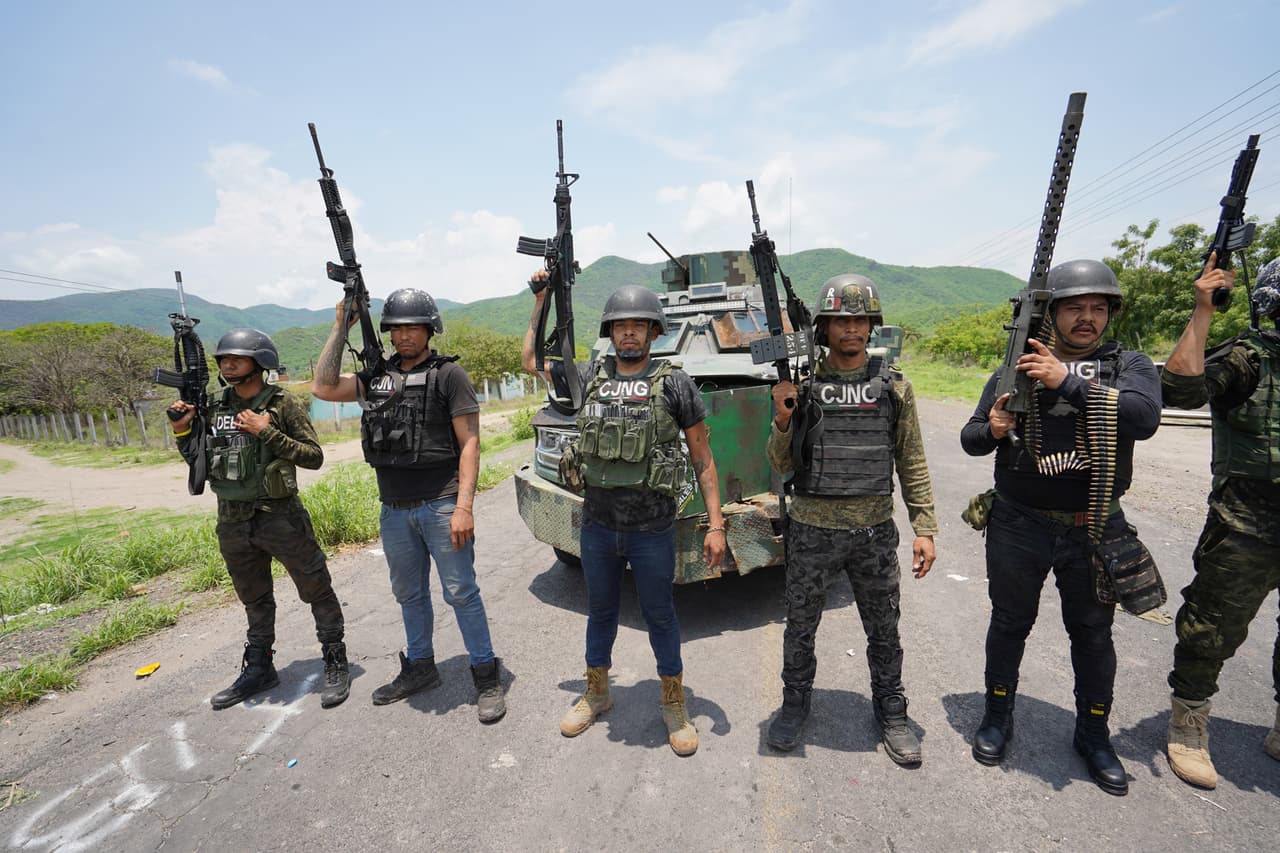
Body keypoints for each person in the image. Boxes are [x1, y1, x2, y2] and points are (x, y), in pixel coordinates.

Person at [960, 259, 1160, 796]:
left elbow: (1143, 419)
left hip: (1093, 524)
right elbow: (972, 437)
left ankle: (1094, 733)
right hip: (1018, 523)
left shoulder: (1128, 366)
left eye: (1098, 308)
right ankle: (997, 717)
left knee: (1092, 633)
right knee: (1009, 623)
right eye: (1075, 308)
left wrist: (1065, 382)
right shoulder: (1016, 366)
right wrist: (995, 428)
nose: (1087, 318)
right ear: (1053, 314)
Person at [525, 275, 727, 756]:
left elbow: (703, 458)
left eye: (639, 325)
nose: (629, 333)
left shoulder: (674, 383)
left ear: (654, 332)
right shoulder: (590, 376)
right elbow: (531, 361)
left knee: (661, 615)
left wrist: (716, 524)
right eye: (621, 326)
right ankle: (596, 691)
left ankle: (674, 704)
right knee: (601, 613)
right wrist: (540, 300)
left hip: (652, 528)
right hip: (598, 525)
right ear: (610, 333)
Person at [764, 274, 938, 764]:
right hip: (813, 531)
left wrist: (924, 527)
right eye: (841, 319)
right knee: (800, 627)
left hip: (873, 534)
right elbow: (779, 465)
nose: (852, 329)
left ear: (872, 325)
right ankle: (794, 703)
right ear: (824, 327)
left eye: (860, 319)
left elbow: (912, 460)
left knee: (884, 629)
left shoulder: (894, 387)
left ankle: (892, 710)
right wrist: (782, 420)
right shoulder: (803, 388)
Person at [311, 288, 505, 723]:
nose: (404, 336)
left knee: (460, 592)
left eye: (412, 328)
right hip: (394, 509)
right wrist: (342, 323)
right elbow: (323, 387)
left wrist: (464, 506)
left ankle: (486, 674)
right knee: (408, 595)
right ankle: (420, 667)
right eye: (396, 329)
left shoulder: (449, 374)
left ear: (429, 329)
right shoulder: (376, 377)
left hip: (441, 505)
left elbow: (470, 443)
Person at [169, 328, 350, 710]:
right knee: (254, 599)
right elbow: (198, 461)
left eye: (237, 357)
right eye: (223, 358)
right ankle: (258, 667)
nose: (227, 363)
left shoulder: (282, 403)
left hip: (280, 517)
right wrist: (182, 429)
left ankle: (334, 659)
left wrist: (267, 433)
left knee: (316, 588)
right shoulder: (214, 406)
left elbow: (313, 457)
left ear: (260, 362)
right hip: (233, 521)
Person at [1161, 253, 1280, 789]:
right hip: (1246, 529)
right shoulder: (1250, 359)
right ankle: (1189, 723)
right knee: (1211, 630)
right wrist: (1203, 312)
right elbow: (1181, 391)